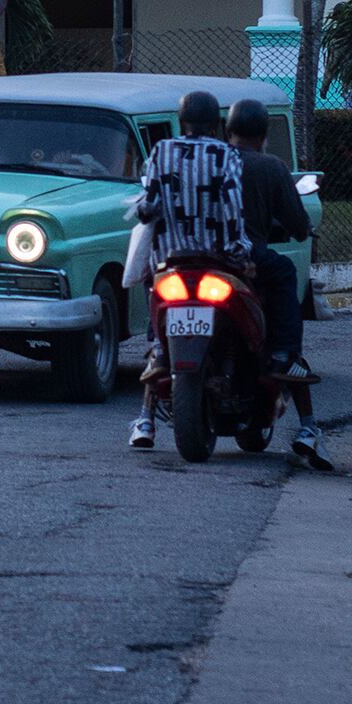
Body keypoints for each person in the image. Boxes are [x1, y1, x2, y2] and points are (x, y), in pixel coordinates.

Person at [129, 91, 247, 452]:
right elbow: (231, 206)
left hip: (169, 263)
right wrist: (237, 251)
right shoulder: (225, 154)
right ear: (216, 124)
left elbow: (146, 208)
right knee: (235, 327)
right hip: (217, 261)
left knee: (158, 340)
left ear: (181, 121)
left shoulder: (161, 151)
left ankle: (146, 420)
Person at [225, 98, 330, 470]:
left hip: (199, 255)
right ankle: (286, 351)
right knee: (285, 271)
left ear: (228, 131)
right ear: (265, 135)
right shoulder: (271, 167)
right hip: (247, 257)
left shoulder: (209, 161)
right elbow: (298, 224)